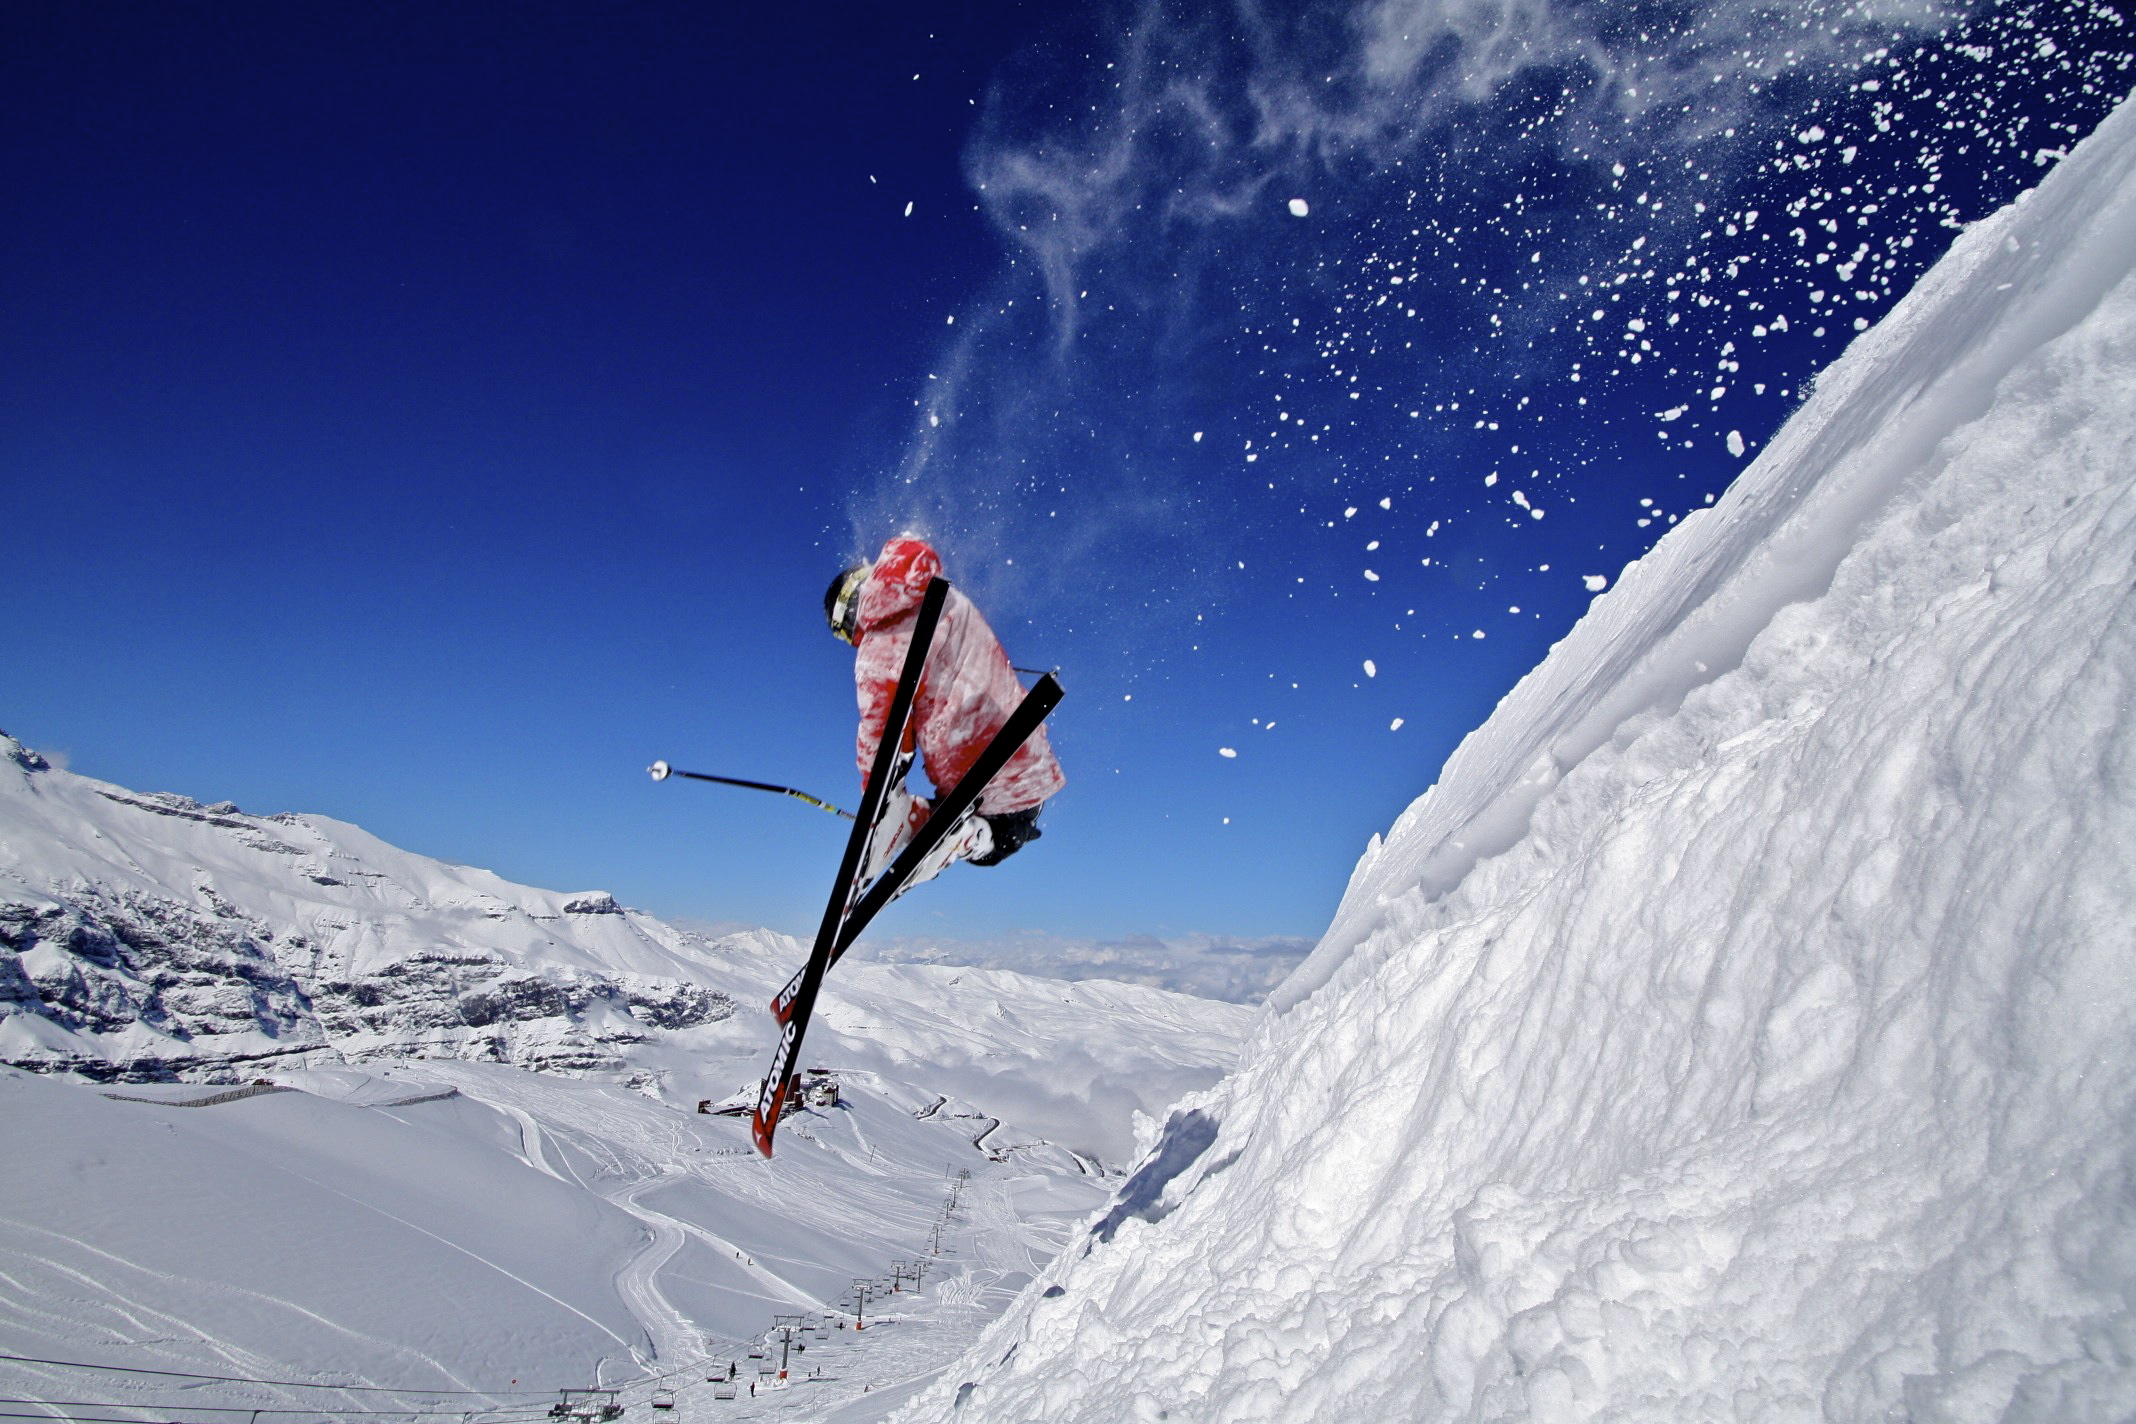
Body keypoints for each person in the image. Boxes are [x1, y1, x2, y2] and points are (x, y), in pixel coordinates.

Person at [825, 535, 1064, 879]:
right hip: (1026, 765)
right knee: (1008, 839)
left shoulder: (880, 640)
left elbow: (882, 731)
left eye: (844, 633)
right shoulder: (946, 597)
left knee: (992, 838)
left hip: (977, 780)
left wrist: (877, 799)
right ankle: (936, 826)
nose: (853, 640)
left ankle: (961, 835)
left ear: (848, 613)